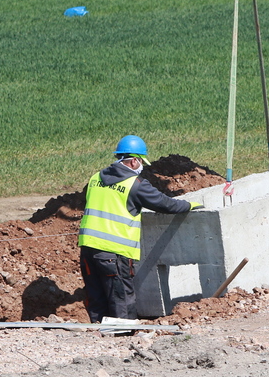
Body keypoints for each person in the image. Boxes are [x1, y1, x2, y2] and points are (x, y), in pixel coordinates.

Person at [78, 135, 201, 323]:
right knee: (121, 298)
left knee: (97, 296)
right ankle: (123, 336)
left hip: (88, 249)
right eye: (142, 161)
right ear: (134, 161)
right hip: (114, 252)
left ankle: (99, 335)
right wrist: (189, 205)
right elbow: (165, 204)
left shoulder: (95, 178)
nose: (143, 166)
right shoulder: (134, 184)